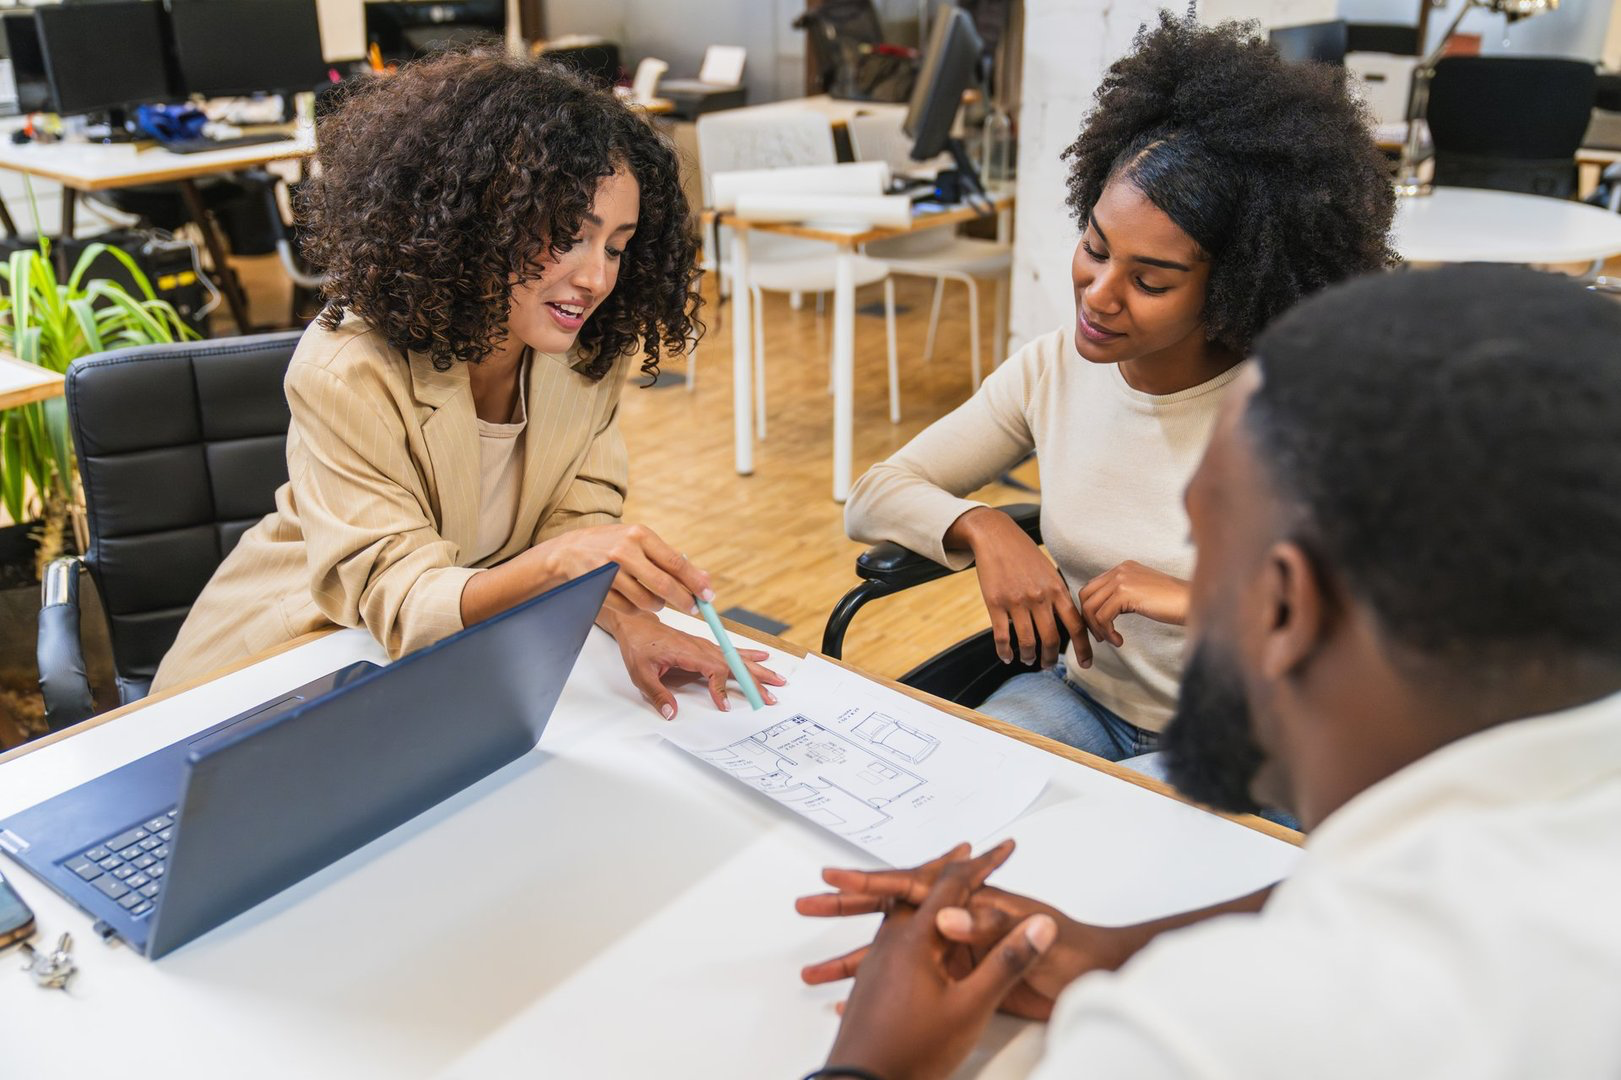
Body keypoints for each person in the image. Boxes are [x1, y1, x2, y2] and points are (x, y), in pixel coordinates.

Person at [795, 264, 1621, 1079]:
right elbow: (1412, 886)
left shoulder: (1206, 1032)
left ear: (1284, 606)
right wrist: (1116, 947)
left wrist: (868, 1066)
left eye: (1207, 547)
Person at [152, 52, 784, 718]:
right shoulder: (347, 369)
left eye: (616, 246)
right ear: (480, 222)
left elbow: (577, 513)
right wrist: (559, 565)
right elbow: (398, 597)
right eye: (569, 235)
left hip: (439, 667)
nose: (596, 278)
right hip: (285, 664)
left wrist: (630, 622)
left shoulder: (582, 352)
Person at [844, 15, 1394, 763]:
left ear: (1234, 289)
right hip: (1081, 699)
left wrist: (1190, 599)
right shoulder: (1052, 371)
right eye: (1095, 248)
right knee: (950, 800)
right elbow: (877, 492)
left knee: (1103, 866)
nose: (1098, 294)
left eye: (1149, 280)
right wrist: (985, 528)